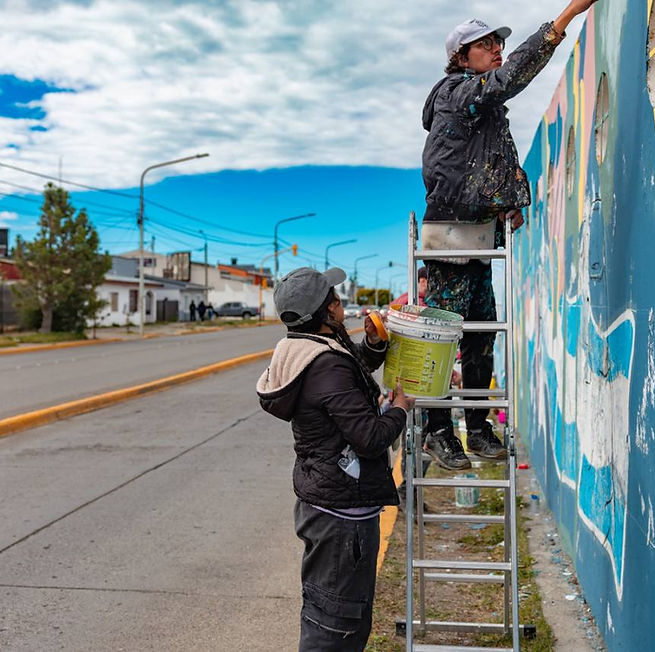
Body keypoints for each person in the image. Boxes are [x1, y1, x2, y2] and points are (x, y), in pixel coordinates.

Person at [420, 0, 598, 470]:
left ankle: (477, 428)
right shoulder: (454, 92)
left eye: (499, 42)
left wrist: (508, 202)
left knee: (479, 339)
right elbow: (507, 81)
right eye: (486, 44)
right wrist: (562, 21)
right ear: (461, 57)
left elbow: (486, 160)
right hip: (450, 237)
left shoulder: (482, 111)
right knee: (443, 338)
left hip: (476, 238)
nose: (497, 49)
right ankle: (437, 433)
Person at [256, 267, 415, 650]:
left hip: (327, 505)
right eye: (337, 300)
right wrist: (399, 409)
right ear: (326, 313)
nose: (343, 306)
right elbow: (370, 439)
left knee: (334, 615)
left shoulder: (307, 349)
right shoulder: (326, 365)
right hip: (342, 521)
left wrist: (375, 347)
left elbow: (344, 382)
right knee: (334, 627)